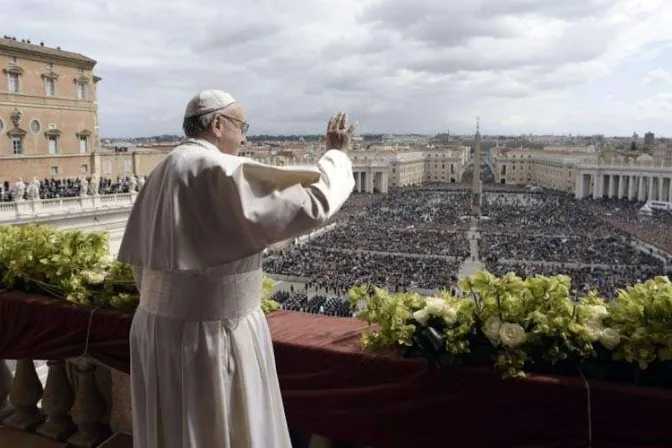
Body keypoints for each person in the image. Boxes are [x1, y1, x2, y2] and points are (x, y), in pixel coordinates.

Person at [117, 89, 357, 448]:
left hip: (156, 328)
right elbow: (313, 202)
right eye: (242, 127)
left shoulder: (164, 169)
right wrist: (336, 154)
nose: (245, 138)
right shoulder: (212, 168)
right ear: (218, 124)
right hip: (211, 335)